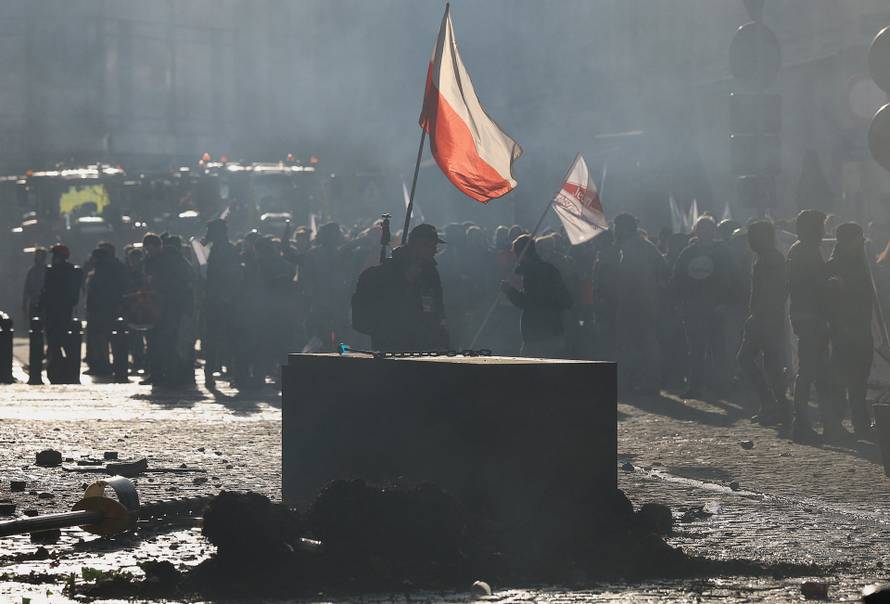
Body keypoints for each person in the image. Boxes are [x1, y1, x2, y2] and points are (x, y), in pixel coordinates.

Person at [787, 209, 845, 442]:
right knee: (810, 372)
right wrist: (833, 282)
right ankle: (801, 424)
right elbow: (814, 285)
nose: (823, 232)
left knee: (819, 373)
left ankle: (828, 424)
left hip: (810, 317)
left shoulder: (804, 250)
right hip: (810, 317)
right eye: (820, 227)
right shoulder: (805, 251)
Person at [352, 224, 449, 352]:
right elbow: (383, 307)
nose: (435, 250)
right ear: (419, 245)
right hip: (392, 344)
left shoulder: (430, 272)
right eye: (431, 246)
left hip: (425, 343)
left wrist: (440, 333)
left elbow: (437, 305)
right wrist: (404, 281)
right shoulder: (388, 271)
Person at [672, 215, 733, 399]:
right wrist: (680, 302)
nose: (705, 233)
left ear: (714, 231)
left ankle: (721, 386)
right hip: (694, 308)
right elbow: (678, 278)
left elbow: (728, 279)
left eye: (709, 229)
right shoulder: (688, 253)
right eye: (702, 229)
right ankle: (695, 385)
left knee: (717, 349)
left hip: (715, 307)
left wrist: (724, 302)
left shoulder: (722, 252)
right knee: (696, 350)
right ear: (697, 232)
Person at [737, 221, 788, 425]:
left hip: (766, 318)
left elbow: (774, 291)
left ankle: (773, 403)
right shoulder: (764, 257)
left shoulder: (771, 259)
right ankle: (777, 405)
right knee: (770, 363)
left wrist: (757, 315)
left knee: (746, 359)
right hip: (765, 317)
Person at [827, 222, 874, 439]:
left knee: (859, 382)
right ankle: (835, 422)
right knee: (842, 380)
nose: (861, 243)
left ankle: (860, 422)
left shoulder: (861, 262)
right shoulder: (836, 266)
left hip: (861, 329)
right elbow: (834, 301)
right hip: (846, 331)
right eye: (858, 238)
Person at [614, 213, 669, 395]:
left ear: (624, 228)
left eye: (617, 227)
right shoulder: (645, 246)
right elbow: (663, 268)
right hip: (643, 302)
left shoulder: (633, 248)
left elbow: (662, 271)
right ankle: (645, 381)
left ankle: (646, 382)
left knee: (641, 344)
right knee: (642, 344)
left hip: (638, 304)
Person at [501, 234, 572, 357]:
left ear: (521, 254)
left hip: (538, 333)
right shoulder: (549, 269)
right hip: (554, 329)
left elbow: (529, 302)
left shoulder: (532, 273)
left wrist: (509, 291)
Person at [201, 219, 242, 388]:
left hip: (224, 301)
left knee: (226, 339)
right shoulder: (217, 249)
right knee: (216, 339)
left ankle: (233, 373)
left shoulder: (225, 250)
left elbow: (231, 276)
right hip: (216, 300)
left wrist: (227, 296)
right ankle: (213, 372)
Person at [38, 244, 83, 384]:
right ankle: (60, 369)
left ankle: (62, 369)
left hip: (59, 311)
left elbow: (49, 291)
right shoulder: (62, 271)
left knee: (59, 341)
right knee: (57, 342)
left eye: (55, 256)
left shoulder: (65, 271)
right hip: (57, 311)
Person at [84, 246, 127, 376]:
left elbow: (96, 293)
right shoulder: (111, 270)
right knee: (107, 339)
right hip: (107, 309)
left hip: (101, 310)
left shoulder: (100, 273)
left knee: (100, 339)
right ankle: (109, 364)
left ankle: (103, 365)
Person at [22, 247, 47, 321]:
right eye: (37, 256)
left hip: (45, 303)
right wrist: (24, 302)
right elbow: (27, 287)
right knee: (33, 324)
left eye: (40, 256)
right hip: (33, 302)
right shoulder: (31, 271)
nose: (38, 258)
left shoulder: (48, 271)